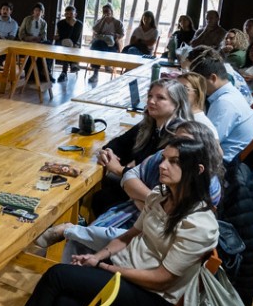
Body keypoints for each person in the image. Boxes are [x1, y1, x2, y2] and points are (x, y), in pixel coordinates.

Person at [21, 137, 219, 306]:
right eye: (164, 158)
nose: (163, 166)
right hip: (123, 273)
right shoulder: (160, 195)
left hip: (152, 297)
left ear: (197, 170)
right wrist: (96, 257)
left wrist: (104, 266)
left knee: (57, 275)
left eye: (174, 161)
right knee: (65, 304)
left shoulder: (199, 225)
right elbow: (129, 236)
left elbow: (162, 279)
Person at [38, 121, 222, 261]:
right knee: (85, 238)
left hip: (156, 246)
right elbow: (130, 176)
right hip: (140, 220)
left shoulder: (208, 186)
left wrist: (141, 198)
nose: (177, 146)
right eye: (175, 140)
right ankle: (72, 270)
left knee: (92, 236)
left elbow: (164, 221)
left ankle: (69, 232)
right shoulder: (162, 155)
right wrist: (147, 200)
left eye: (185, 143)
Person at [92, 79, 192, 216]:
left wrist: (118, 169)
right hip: (138, 190)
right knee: (102, 195)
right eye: (150, 96)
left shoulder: (180, 135)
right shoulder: (149, 125)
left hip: (158, 202)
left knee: (103, 197)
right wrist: (108, 152)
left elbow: (156, 176)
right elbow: (120, 144)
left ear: (177, 104)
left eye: (160, 98)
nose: (151, 101)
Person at [188, 53, 253, 164]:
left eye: (200, 83)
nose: (198, 88)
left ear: (213, 78)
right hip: (231, 156)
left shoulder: (225, 103)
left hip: (229, 164)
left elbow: (207, 141)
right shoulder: (229, 93)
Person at [176, 71, 219, 137]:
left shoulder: (203, 125)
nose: (178, 92)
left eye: (184, 89)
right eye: (176, 88)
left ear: (198, 93)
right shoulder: (178, 116)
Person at [89, 4, 125, 77]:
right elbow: (95, 29)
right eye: (104, 11)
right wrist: (102, 20)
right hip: (100, 43)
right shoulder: (100, 21)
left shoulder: (117, 23)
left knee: (96, 46)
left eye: (107, 11)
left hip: (112, 45)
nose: (105, 13)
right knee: (99, 44)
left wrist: (114, 35)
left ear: (111, 11)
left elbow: (122, 34)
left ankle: (95, 73)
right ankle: (106, 63)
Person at [53, 5, 83, 82]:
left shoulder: (79, 24)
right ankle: (73, 63)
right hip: (62, 43)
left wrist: (72, 26)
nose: (69, 16)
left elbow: (75, 39)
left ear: (75, 15)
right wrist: (71, 26)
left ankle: (64, 72)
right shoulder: (60, 23)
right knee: (67, 43)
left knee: (68, 45)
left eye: (71, 14)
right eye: (67, 14)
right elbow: (63, 36)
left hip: (73, 44)